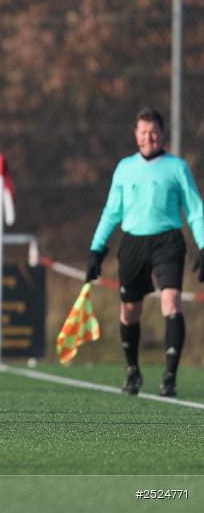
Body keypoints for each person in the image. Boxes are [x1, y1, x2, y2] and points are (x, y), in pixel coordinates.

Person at [86, 108, 204, 397]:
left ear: (162, 134)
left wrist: (203, 244)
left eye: (153, 132)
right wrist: (96, 250)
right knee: (130, 310)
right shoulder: (124, 168)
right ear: (136, 135)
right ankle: (132, 371)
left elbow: (195, 209)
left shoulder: (177, 167)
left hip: (168, 242)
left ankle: (169, 377)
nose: (148, 138)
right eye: (143, 133)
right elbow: (111, 212)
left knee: (171, 302)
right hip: (133, 243)